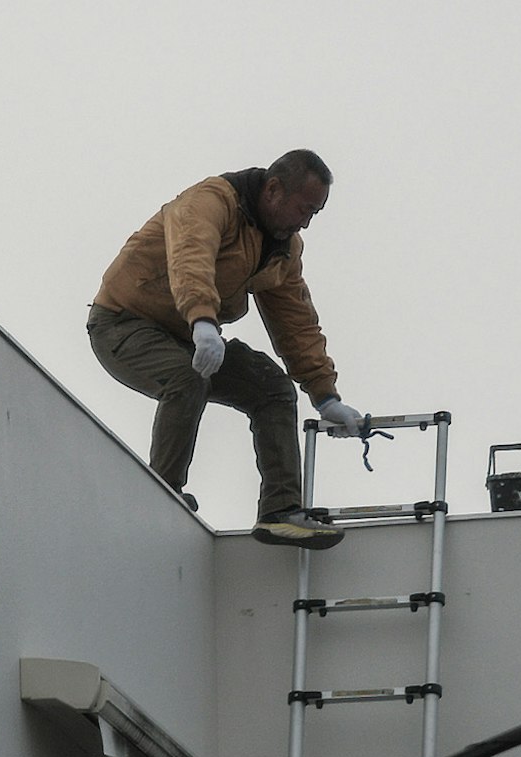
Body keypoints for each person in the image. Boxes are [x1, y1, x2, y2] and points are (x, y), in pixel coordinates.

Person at [89, 150, 373, 544]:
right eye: (303, 208)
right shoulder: (210, 202)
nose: (305, 221)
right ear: (274, 189)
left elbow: (295, 321)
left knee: (272, 389)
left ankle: (280, 512)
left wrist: (325, 395)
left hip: (188, 332)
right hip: (123, 322)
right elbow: (192, 256)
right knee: (187, 377)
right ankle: (161, 491)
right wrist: (204, 320)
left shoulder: (283, 249)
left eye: (315, 214)